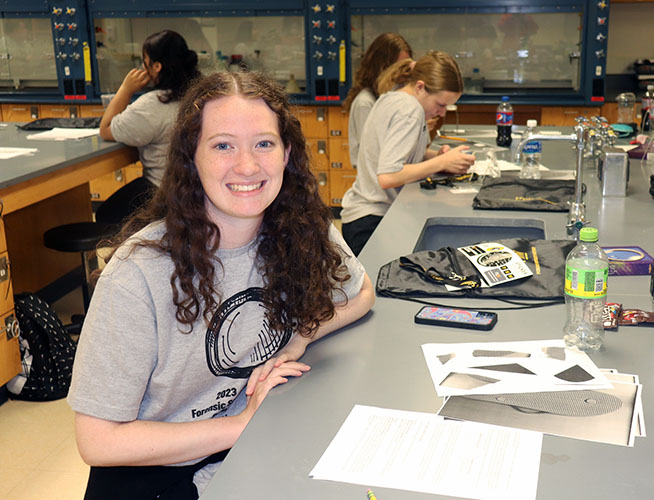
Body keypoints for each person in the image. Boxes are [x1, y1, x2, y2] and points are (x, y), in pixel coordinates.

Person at [68, 71, 375, 499]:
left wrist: (299, 338)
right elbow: (97, 442)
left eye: (264, 143)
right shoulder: (138, 274)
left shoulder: (301, 227)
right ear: (192, 157)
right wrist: (239, 424)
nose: (247, 166)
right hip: (157, 472)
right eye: (223, 145)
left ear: (287, 154)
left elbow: (362, 293)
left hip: (247, 450)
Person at [340, 51, 475, 256]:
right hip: (371, 221)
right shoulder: (410, 110)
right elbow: (388, 176)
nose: (442, 113)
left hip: (360, 218)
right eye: (440, 104)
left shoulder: (392, 97)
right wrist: (441, 163)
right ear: (420, 87)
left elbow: (397, 152)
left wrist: (438, 157)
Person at [97, 30, 201, 226]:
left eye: (145, 60)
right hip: (199, 192)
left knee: (105, 215)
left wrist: (126, 89)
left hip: (162, 190)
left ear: (156, 66)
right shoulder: (202, 96)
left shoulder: (152, 106)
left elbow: (106, 128)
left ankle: (131, 253)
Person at [343, 33, 412, 168]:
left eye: (406, 68)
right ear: (382, 67)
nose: (402, 74)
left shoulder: (393, 98)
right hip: (375, 179)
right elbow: (374, 155)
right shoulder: (365, 102)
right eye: (398, 67)